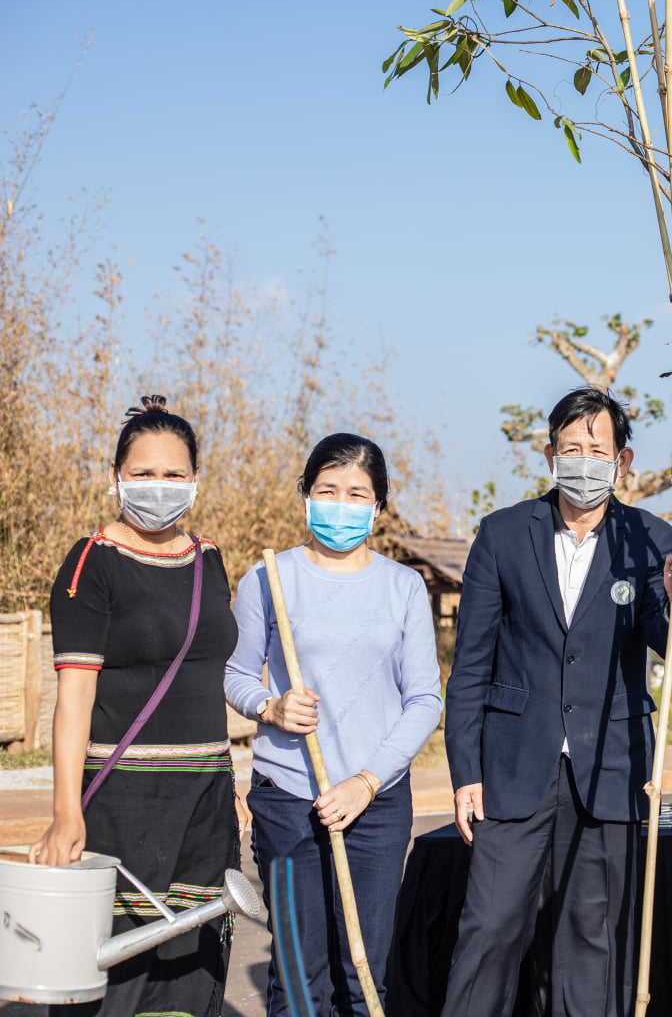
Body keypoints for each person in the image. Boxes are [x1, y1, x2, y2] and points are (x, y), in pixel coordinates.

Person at [440, 387, 672, 1017]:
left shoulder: (650, 538)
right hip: (512, 765)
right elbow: (470, 664)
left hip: (610, 766)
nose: (584, 461)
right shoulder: (502, 535)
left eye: (598, 449)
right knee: (489, 932)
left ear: (623, 460)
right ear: (549, 453)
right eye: (572, 447)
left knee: (592, 939)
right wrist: (465, 771)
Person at [31, 396, 241, 1017]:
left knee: (191, 973)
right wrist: (66, 812)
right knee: (116, 973)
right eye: (143, 474)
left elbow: (210, 678)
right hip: (123, 800)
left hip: (205, 797)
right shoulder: (91, 564)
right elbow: (73, 701)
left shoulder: (210, 561)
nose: (159, 487)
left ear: (196, 480)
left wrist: (231, 781)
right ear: (117, 477)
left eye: (174, 475)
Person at [225, 433, 444, 1016]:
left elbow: (425, 698)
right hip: (286, 803)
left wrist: (366, 781)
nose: (340, 504)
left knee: (364, 971)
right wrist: (267, 708)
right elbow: (237, 673)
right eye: (327, 490)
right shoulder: (268, 578)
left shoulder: (402, 587)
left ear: (377, 507)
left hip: (375, 804)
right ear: (305, 495)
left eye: (356, 494)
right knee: (298, 976)